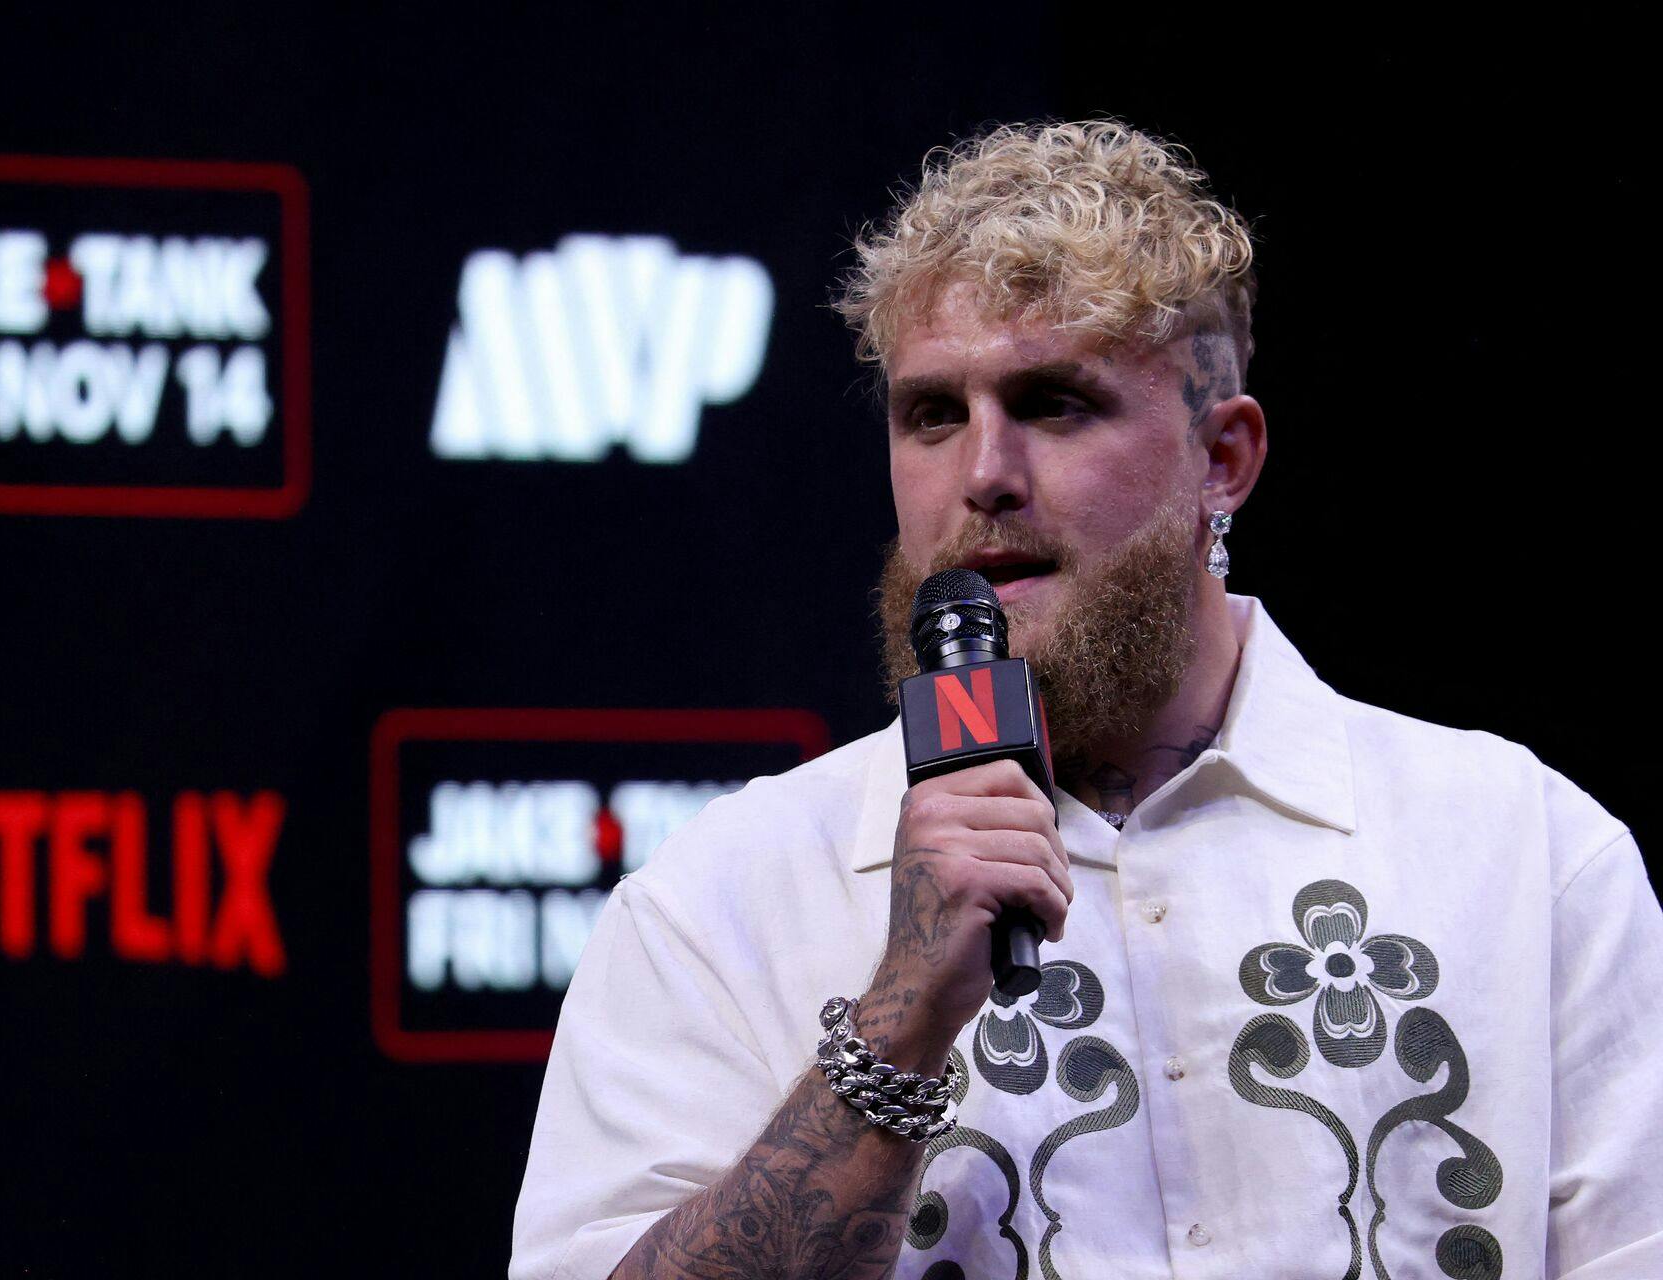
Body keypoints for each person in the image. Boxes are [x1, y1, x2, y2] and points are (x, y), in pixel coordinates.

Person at [509, 120, 1663, 1280]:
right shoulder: (721, 902)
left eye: (1056, 402)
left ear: (1224, 458)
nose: (985, 474)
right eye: (933, 414)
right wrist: (899, 1022)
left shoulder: (1526, 852)